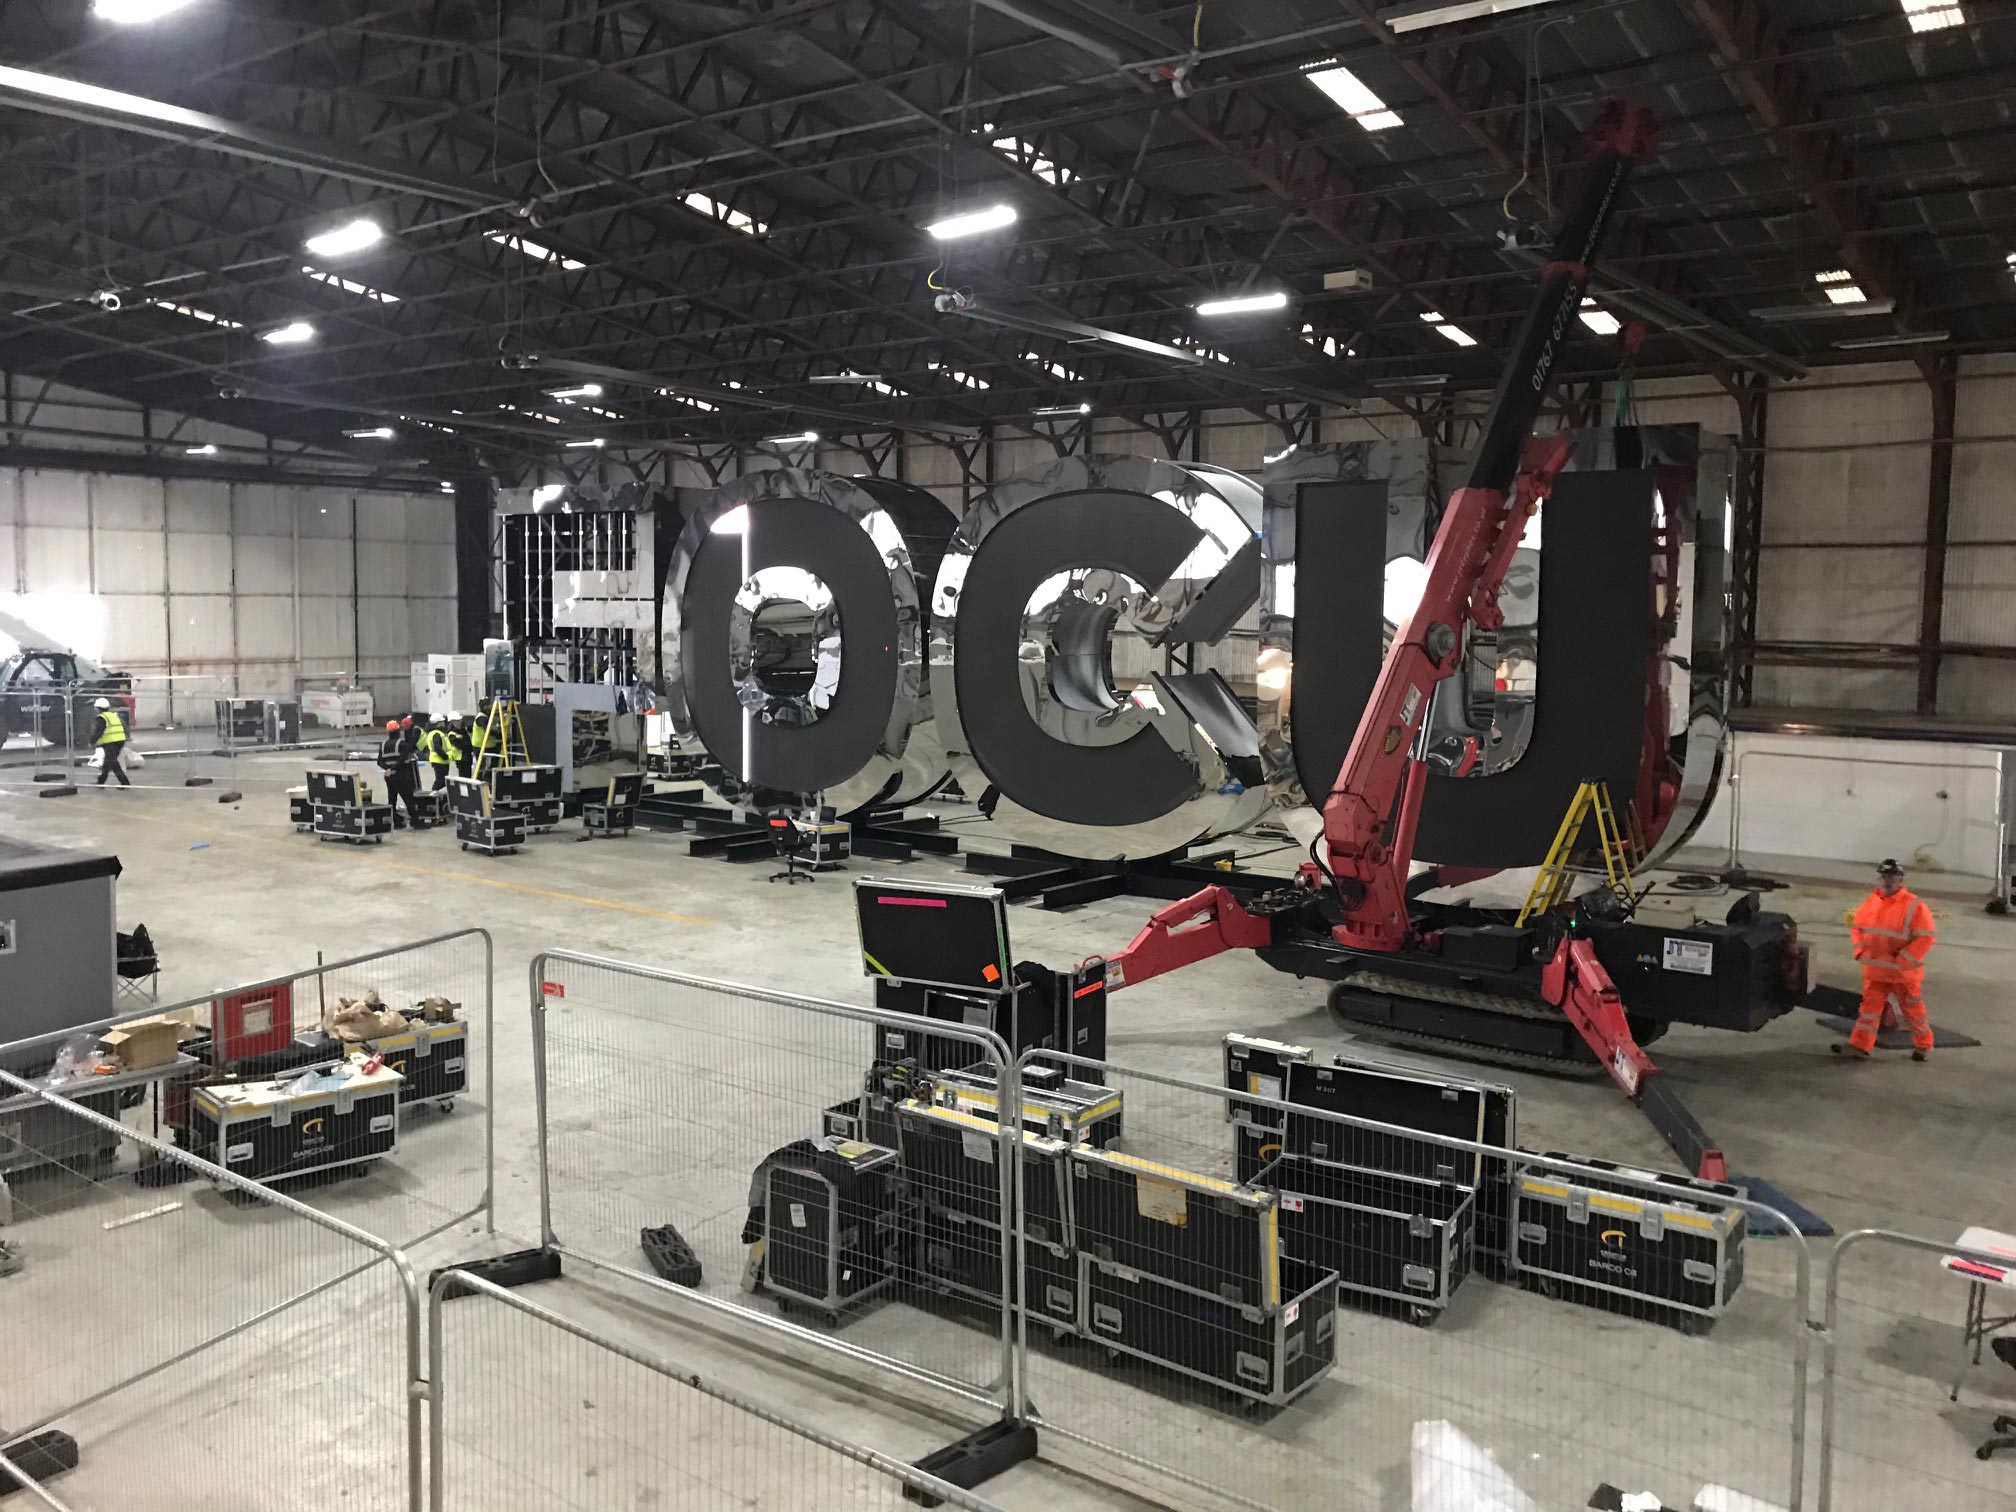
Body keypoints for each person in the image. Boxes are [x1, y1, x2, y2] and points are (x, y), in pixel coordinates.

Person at [1834, 858, 1936, 1062]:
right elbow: (1858, 928)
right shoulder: (1871, 902)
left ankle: (1924, 1045)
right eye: (1885, 876)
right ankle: (1859, 1046)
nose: (1888, 880)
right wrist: (1860, 951)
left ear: (1900, 880)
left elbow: (1925, 937)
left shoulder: (1914, 906)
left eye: (1892, 876)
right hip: (1876, 970)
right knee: (1869, 1011)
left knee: (1913, 1011)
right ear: (1879, 878)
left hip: (1901, 973)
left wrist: (1904, 960)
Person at [376, 718, 420, 829]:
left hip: (389, 777)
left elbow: (379, 762)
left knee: (392, 800)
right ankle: (416, 822)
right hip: (401, 775)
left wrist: (388, 769)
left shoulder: (383, 745)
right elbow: (403, 758)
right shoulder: (401, 744)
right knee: (409, 799)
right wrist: (394, 768)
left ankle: (395, 822)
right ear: (398, 731)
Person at [89, 696, 130, 788]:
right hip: (120, 740)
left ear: (98, 708)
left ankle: (125, 782)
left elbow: (99, 731)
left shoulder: (101, 718)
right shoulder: (113, 715)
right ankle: (101, 781)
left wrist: (92, 742)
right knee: (108, 762)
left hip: (111, 742)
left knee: (112, 762)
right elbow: (124, 726)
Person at [424, 714, 461, 790]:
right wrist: (445, 756)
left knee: (442, 781)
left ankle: (438, 795)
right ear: (439, 723)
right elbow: (437, 747)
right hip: (439, 760)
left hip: (440, 760)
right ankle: (434, 794)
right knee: (440, 781)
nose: (444, 723)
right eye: (442, 721)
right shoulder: (437, 734)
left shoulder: (434, 733)